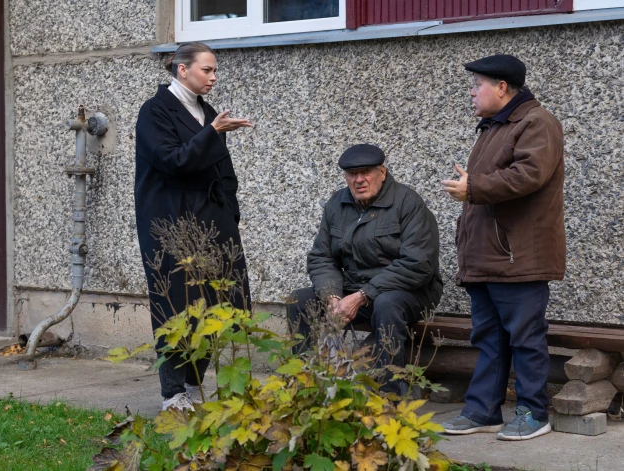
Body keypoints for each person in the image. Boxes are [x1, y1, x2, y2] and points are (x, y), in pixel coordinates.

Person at [440, 54, 565, 440]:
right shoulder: (494, 127)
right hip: (488, 258)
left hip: (518, 258)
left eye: (477, 84)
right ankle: (483, 411)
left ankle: (533, 412)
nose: (472, 92)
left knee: (525, 338)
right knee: (489, 339)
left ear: (502, 88)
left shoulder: (537, 123)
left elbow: (529, 175)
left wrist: (473, 188)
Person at [135, 42, 252, 411]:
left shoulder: (207, 111)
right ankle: (173, 393)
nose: (214, 77)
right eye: (207, 70)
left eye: (215, 70)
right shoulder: (155, 111)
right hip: (173, 224)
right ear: (182, 70)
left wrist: (230, 211)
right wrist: (212, 133)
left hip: (214, 224)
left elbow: (223, 171)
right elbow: (174, 161)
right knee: (176, 304)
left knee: (219, 299)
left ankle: (195, 384)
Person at [288, 144, 443, 395]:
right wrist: (332, 296)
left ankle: (388, 394)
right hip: (354, 289)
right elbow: (321, 257)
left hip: (410, 291)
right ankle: (304, 386)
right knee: (300, 300)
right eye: (352, 174)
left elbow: (418, 264)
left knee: (387, 304)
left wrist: (362, 295)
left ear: (382, 171)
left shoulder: (407, 202)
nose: (359, 180)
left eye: (366, 172)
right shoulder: (337, 204)